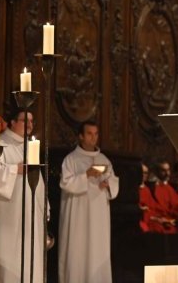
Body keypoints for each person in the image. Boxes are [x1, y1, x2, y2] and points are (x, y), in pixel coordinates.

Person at [59, 121, 120, 283]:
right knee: (77, 251)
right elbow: (66, 183)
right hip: (78, 214)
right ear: (81, 136)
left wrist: (107, 184)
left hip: (98, 216)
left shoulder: (104, 159)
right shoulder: (71, 159)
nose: (93, 138)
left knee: (97, 251)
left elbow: (113, 181)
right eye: (89, 134)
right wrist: (86, 175)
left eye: (96, 134)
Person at [0, 109, 46, 283]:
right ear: (12, 122)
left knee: (30, 262)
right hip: (9, 217)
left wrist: (44, 208)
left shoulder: (30, 147)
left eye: (32, 121)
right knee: (12, 264)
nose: (30, 125)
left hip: (31, 218)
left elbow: (39, 183)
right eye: (25, 121)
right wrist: (15, 169)